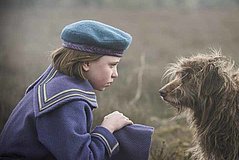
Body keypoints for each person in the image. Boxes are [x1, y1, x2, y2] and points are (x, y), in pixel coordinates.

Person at [0, 20, 153, 160]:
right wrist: (107, 128)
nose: (115, 74)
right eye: (111, 65)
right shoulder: (65, 101)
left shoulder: (57, 83)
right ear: (86, 63)